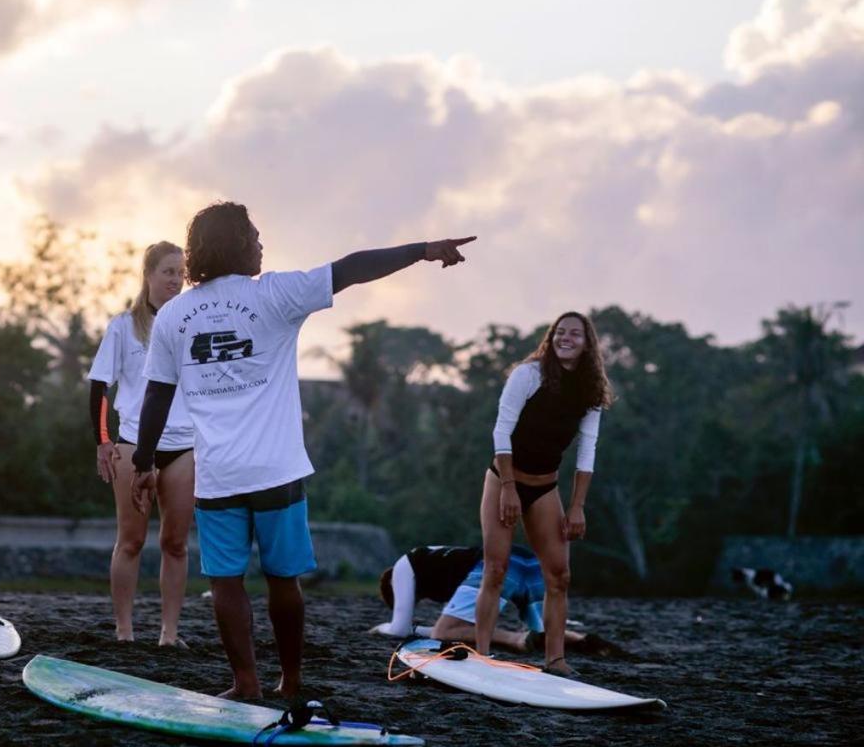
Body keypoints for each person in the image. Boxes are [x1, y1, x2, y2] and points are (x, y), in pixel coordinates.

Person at [132, 200, 475, 699]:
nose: (261, 243)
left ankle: (245, 683)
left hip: (219, 474)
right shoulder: (275, 294)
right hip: (275, 472)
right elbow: (353, 268)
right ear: (235, 243)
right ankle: (289, 680)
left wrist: (144, 463)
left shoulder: (174, 315)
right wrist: (423, 250)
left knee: (226, 583)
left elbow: (157, 394)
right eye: (253, 235)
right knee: (281, 580)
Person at [475, 312, 612, 677]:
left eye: (575, 334)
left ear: (587, 343)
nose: (565, 338)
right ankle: (482, 655)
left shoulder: (590, 391)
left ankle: (555, 660)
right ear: (551, 337)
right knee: (496, 569)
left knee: (559, 575)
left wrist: (577, 505)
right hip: (504, 480)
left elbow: (588, 450)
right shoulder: (528, 375)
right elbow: (501, 431)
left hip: (544, 487)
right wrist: (507, 489)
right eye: (560, 332)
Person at [87, 242, 195, 646]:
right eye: (168, 271)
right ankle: (124, 630)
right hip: (132, 445)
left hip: (184, 446)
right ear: (148, 274)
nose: (175, 280)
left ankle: (169, 633)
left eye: (181, 273)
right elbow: (100, 386)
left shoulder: (190, 325)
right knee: (131, 540)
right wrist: (102, 442)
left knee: (175, 543)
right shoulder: (123, 327)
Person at [371, 544, 616, 656]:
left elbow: (399, 630)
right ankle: (587, 641)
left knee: (444, 632)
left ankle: (514, 639)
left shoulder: (404, 566)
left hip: (495, 566)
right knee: (543, 631)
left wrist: (382, 627)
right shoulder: (437, 560)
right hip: (524, 560)